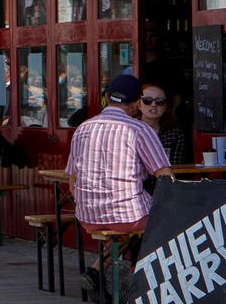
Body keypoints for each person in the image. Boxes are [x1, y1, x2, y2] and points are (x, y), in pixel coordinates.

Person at [66, 72, 172, 236]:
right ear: (137, 103)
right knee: (173, 216)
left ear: (107, 97)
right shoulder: (139, 129)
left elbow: (72, 182)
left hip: (88, 218)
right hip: (131, 218)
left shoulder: (82, 128)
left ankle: (120, 253)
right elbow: (166, 177)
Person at [138, 82, 192, 166]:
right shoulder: (129, 130)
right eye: (147, 100)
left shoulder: (175, 133)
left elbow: (176, 166)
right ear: (139, 105)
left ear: (165, 107)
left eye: (159, 101)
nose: (153, 104)